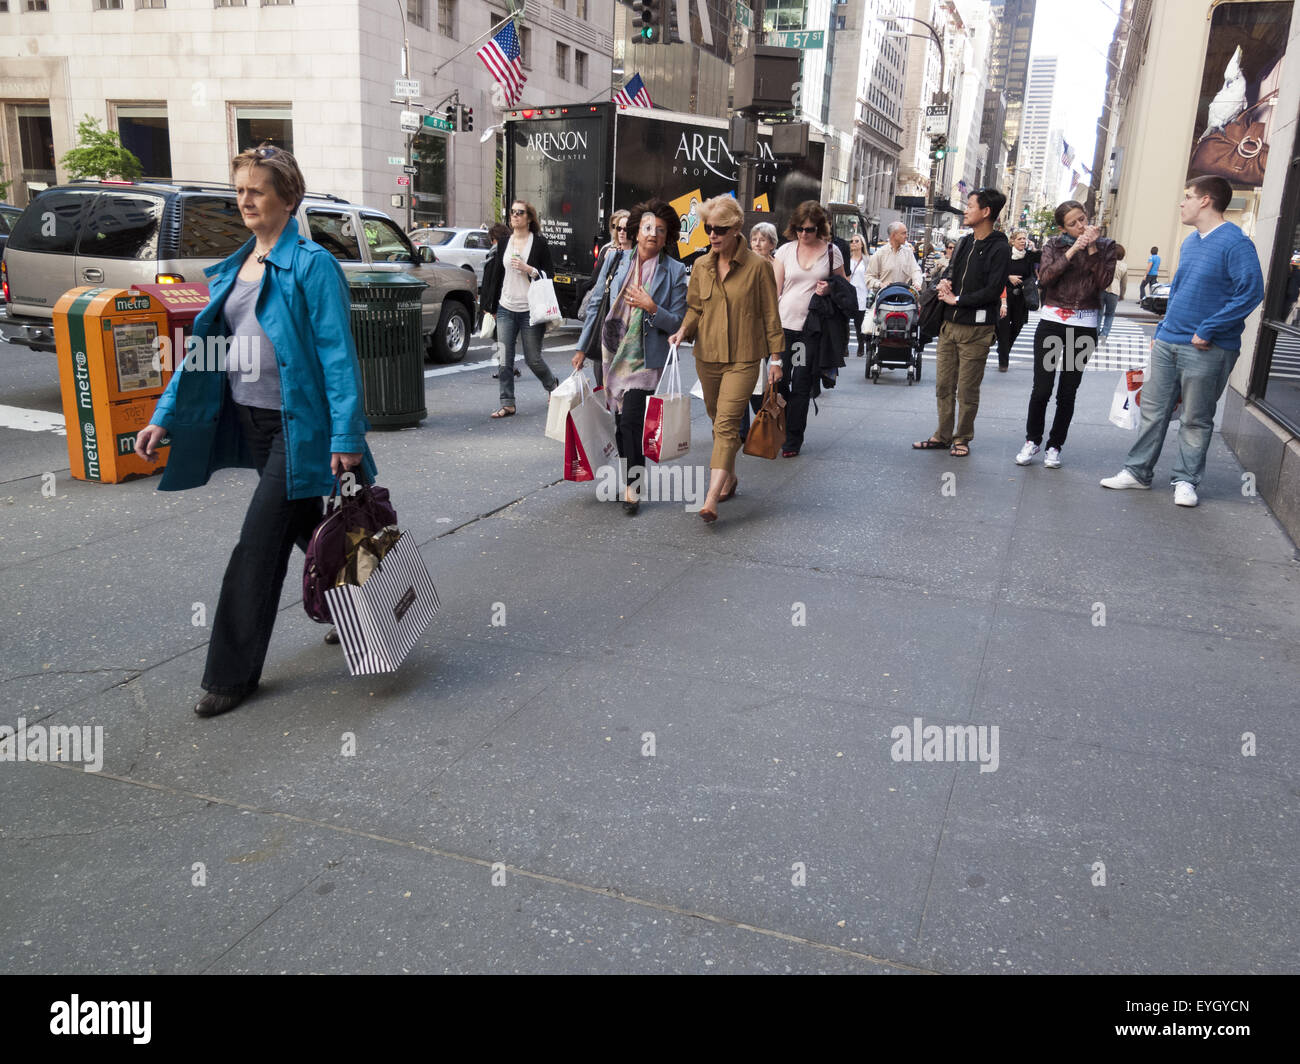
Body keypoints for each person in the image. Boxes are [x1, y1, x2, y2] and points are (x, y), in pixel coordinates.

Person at [134, 144, 374, 718]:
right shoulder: (235, 264)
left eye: (256, 189)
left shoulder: (313, 266)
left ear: (288, 198)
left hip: (299, 428)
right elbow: (202, 354)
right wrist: (164, 414)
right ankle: (372, 607)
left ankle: (230, 674)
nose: (244, 199)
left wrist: (345, 437)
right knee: (312, 532)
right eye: (239, 188)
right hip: (251, 421)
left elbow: (338, 358)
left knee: (255, 548)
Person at [1101, 176, 1264, 506]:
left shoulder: (1236, 243)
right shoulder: (1190, 242)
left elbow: (1251, 293)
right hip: (1168, 342)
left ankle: (1186, 481)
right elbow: (1178, 293)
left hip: (1208, 347)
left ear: (1205, 201)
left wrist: (1209, 329)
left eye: (1187, 196)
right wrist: (1160, 332)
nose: (1182, 202)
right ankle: (1137, 473)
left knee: (1195, 417)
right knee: (1153, 411)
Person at [669, 195, 784, 522]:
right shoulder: (702, 266)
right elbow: (695, 308)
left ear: (736, 229)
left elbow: (770, 315)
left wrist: (776, 359)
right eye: (708, 229)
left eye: (720, 229)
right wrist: (682, 331)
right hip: (708, 356)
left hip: (745, 358)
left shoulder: (759, 268)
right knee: (718, 420)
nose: (713, 235)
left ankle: (710, 498)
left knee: (727, 423)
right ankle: (729, 477)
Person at [573, 199, 687, 515]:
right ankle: (628, 477)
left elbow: (678, 321)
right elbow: (596, 304)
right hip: (613, 352)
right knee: (621, 422)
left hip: (646, 357)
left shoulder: (674, 271)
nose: (653, 234)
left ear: (667, 238)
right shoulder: (616, 261)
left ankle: (632, 487)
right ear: (637, 233)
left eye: (660, 231)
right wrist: (583, 347)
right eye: (648, 228)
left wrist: (652, 308)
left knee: (634, 419)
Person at [1014, 201, 1118, 469]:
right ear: (1063, 227)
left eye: (1083, 219)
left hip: (1084, 325)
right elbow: (1045, 278)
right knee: (1042, 388)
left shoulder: (1106, 246)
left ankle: (1055, 445)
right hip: (1052, 323)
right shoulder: (1053, 245)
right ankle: (1032, 440)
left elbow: (1104, 283)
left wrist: (1092, 248)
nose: (1081, 226)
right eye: (1073, 223)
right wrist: (1073, 249)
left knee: (1067, 391)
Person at [912, 187, 1010, 458]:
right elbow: (954, 271)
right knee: (944, 385)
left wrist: (958, 300)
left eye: (970, 206)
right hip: (949, 327)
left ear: (986, 211)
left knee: (966, 389)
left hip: (977, 330)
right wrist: (945, 284)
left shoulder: (1001, 247)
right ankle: (942, 435)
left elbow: (993, 290)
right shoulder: (965, 242)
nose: (965, 210)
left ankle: (962, 438)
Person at [772, 200, 847, 458]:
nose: (805, 234)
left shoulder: (831, 252)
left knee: (800, 383)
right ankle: (778, 430)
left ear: (820, 228)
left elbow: (844, 286)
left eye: (810, 229)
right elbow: (775, 291)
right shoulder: (784, 251)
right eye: (800, 229)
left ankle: (793, 439)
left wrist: (829, 288)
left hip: (809, 331)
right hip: (783, 327)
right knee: (778, 382)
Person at [482, 199, 560, 418]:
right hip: (506, 307)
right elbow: (497, 274)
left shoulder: (539, 243)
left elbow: (549, 275)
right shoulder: (505, 241)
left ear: (529, 218)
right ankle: (507, 403)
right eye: (512, 212)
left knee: (533, 358)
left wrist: (530, 269)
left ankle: (552, 385)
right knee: (504, 358)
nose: (515, 216)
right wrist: (491, 305)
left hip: (531, 310)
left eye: (520, 212)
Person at [994, 228, 1040, 371]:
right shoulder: (1005, 254)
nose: (1022, 241)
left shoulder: (1028, 256)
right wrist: (1009, 277)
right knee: (1003, 329)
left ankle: (1003, 349)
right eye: (1019, 238)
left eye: (1024, 239)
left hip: (1021, 297)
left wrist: (1034, 249)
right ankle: (1003, 362)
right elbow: (996, 272)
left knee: (1017, 326)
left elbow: (1041, 260)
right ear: (1012, 241)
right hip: (1005, 297)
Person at [847, 234, 870, 356]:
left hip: (861, 296)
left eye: (856, 241)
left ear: (862, 244)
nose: (853, 243)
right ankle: (844, 347)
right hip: (848, 296)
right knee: (845, 323)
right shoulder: (847, 259)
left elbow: (871, 277)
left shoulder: (867, 260)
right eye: (852, 241)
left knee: (859, 324)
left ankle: (861, 345)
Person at [1099, 243, 1127, 344]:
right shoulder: (1124, 266)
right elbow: (1124, 283)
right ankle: (1104, 335)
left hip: (1102, 289)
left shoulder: (1105, 262)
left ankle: (1095, 333)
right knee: (1110, 315)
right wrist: (1122, 295)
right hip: (1114, 292)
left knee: (1099, 313)